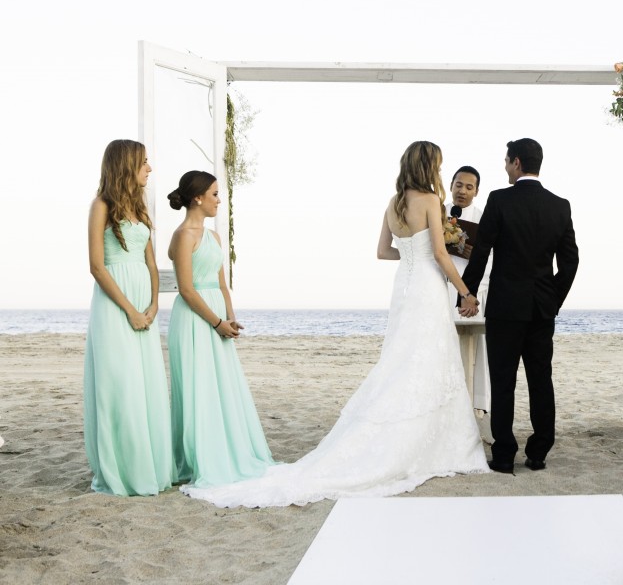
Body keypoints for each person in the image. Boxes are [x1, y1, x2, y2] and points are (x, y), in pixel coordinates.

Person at [184, 141, 488, 507]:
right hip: (426, 284)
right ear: (429, 166)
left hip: (404, 286)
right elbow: (440, 254)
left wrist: (410, 252)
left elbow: (383, 251)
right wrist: (466, 292)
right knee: (428, 359)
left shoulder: (394, 204)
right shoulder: (429, 201)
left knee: (402, 359)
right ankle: (433, 441)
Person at [461, 138, 579, 473]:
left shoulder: (499, 200)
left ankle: (503, 455)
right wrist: (552, 299)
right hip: (542, 309)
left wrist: (467, 293)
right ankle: (539, 453)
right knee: (541, 379)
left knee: (503, 381)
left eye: (505, 161)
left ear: (515, 163)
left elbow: (481, 252)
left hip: (505, 308)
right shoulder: (560, 205)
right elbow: (570, 262)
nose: (504, 167)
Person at [166, 171, 275, 489]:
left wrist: (230, 318)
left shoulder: (213, 236)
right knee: (199, 388)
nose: (218, 200)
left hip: (218, 319)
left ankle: (228, 449)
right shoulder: (184, 235)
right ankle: (199, 458)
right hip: (195, 319)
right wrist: (215, 322)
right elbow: (186, 289)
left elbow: (222, 284)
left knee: (222, 386)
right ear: (198, 198)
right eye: (214, 194)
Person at [83, 139, 173, 496]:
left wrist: (153, 306)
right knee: (119, 384)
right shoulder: (101, 206)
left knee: (145, 384)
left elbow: (151, 263)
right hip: (115, 304)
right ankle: (121, 469)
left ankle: (148, 464)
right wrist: (131, 310)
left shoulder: (141, 207)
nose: (149, 169)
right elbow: (96, 266)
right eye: (144, 162)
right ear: (126, 165)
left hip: (144, 307)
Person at [444, 165, 492, 441]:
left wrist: (472, 295)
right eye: (459, 185)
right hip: (442, 291)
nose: (462, 191)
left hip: (473, 296)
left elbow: (489, 258)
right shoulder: (439, 212)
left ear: (476, 191)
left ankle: (478, 409)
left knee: (476, 355)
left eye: (469, 187)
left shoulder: (483, 218)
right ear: (451, 185)